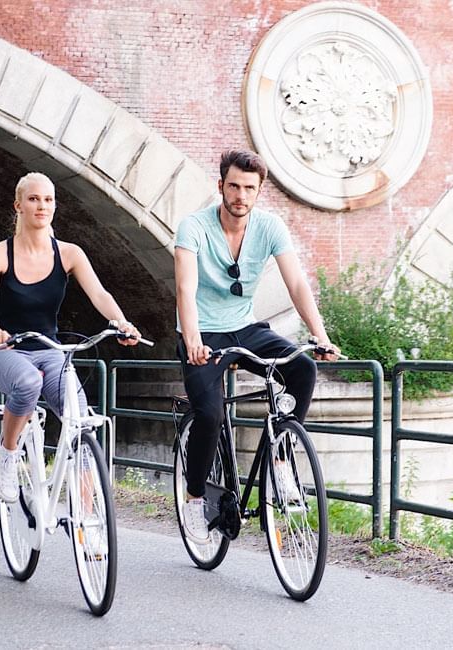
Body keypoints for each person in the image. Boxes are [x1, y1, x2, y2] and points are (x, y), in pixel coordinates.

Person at [174, 149, 339, 543]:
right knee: (210, 415)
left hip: (245, 328)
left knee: (302, 369)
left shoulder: (269, 227)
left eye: (249, 188)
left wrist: (319, 334)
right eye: (234, 186)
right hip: (202, 334)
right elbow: (185, 288)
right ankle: (194, 498)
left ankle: (279, 462)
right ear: (221, 187)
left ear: (259, 191)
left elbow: (296, 283)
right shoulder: (193, 227)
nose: (241, 195)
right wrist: (193, 341)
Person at [0, 171, 141, 503]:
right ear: (18, 205)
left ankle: (89, 524)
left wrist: (121, 322)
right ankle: (7, 457)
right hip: (7, 352)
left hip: (51, 351)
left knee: (82, 423)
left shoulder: (69, 254)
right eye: (34, 199)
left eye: (48, 199)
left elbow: (99, 294)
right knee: (27, 384)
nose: (42, 206)